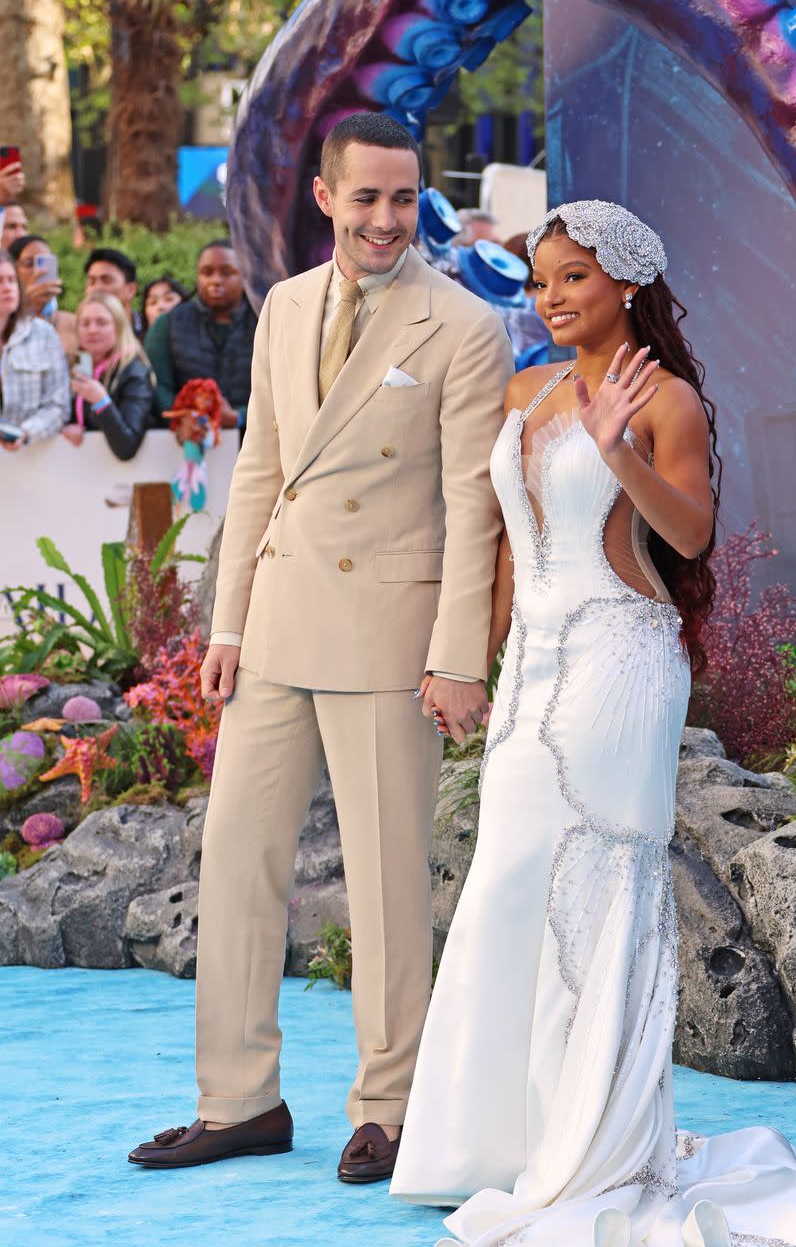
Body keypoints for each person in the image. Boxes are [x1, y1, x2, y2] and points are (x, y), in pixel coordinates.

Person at [390, 201, 796, 1247]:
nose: (552, 298)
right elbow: (498, 552)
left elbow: (689, 535)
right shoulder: (521, 389)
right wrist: (470, 665)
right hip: (533, 668)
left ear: (624, 285)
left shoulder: (663, 397)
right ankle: (494, 1140)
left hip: (620, 664)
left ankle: (597, 1142)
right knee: (505, 884)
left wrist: (620, 449)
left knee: (598, 892)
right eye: (541, 280)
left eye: (574, 278)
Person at [127, 113, 514, 1180]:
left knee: (390, 887)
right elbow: (260, 473)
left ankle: (391, 1108)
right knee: (235, 867)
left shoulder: (466, 326)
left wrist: (457, 658)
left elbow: (469, 506)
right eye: (367, 198)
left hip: (392, 637)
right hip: (279, 626)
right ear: (325, 197)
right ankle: (239, 1101)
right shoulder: (286, 304)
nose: (386, 218)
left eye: (404, 198)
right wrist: (230, 622)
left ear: (420, 198)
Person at [145, 241, 257, 436]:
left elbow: (282, 391)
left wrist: (240, 416)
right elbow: (158, 386)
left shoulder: (266, 319)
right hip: (188, 445)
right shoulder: (168, 325)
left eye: (227, 272)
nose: (215, 280)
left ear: (245, 275)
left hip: (257, 443)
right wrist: (182, 418)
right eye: (207, 272)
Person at [60, 291, 154, 461]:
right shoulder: (76, 366)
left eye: (101, 323)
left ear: (118, 327)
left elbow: (127, 446)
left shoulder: (134, 371)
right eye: (85, 323)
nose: (92, 330)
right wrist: (69, 427)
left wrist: (101, 401)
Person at [0, 249, 70, 451]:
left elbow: (58, 406)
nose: (7, 288)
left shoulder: (43, 334)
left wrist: (26, 432)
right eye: (0, 281)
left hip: (32, 461)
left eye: (12, 280)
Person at [9, 233, 77, 356]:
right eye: (29, 264)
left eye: (46, 263)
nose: (39, 271)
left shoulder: (73, 323)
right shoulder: (5, 323)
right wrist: (26, 305)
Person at [85, 246, 142, 334]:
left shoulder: (154, 333)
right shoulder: (76, 335)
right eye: (92, 282)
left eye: (106, 280)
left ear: (131, 290)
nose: (97, 288)